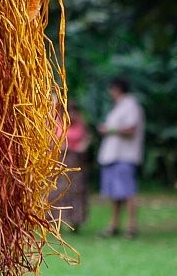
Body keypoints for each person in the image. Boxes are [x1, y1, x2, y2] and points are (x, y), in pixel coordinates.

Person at [96, 79, 145, 238]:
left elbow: (131, 129)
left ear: (116, 89)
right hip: (113, 155)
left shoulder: (130, 105)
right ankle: (114, 225)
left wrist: (109, 130)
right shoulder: (119, 106)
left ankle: (131, 226)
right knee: (115, 193)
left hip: (124, 155)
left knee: (128, 192)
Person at [51, 102, 91, 232]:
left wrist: (83, 146)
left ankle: (76, 222)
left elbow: (87, 138)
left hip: (76, 164)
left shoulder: (81, 125)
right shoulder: (57, 124)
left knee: (76, 192)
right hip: (60, 163)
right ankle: (57, 222)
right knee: (58, 192)